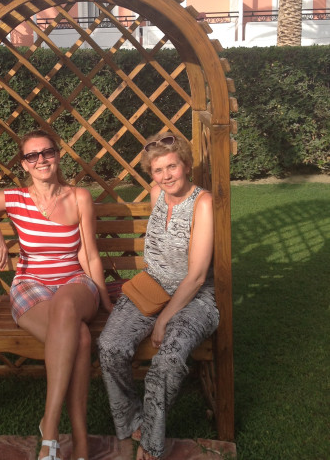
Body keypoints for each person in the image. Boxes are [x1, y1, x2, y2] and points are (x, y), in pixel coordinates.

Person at [0, 129, 112, 460]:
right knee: (81, 338)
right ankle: (81, 440)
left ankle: (50, 428)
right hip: (30, 285)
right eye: (32, 155)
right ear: (24, 164)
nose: (41, 160)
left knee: (66, 305)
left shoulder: (79, 197)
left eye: (47, 152)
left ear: (58, 155)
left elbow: (89, 254)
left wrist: (105, 300)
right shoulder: (14, 198)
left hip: (75, 281)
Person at [98, 133, 220, 460]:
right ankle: (132, 419)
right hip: (153, 286)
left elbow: (197, 275)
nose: (166, 176)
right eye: (158, 170)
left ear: (186, 165)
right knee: (110, 346)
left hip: (196, 298)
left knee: (167, 360)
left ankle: (152, 444)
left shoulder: (203, 203)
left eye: (172, 167)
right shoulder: (157, 195)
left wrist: (164, 319)